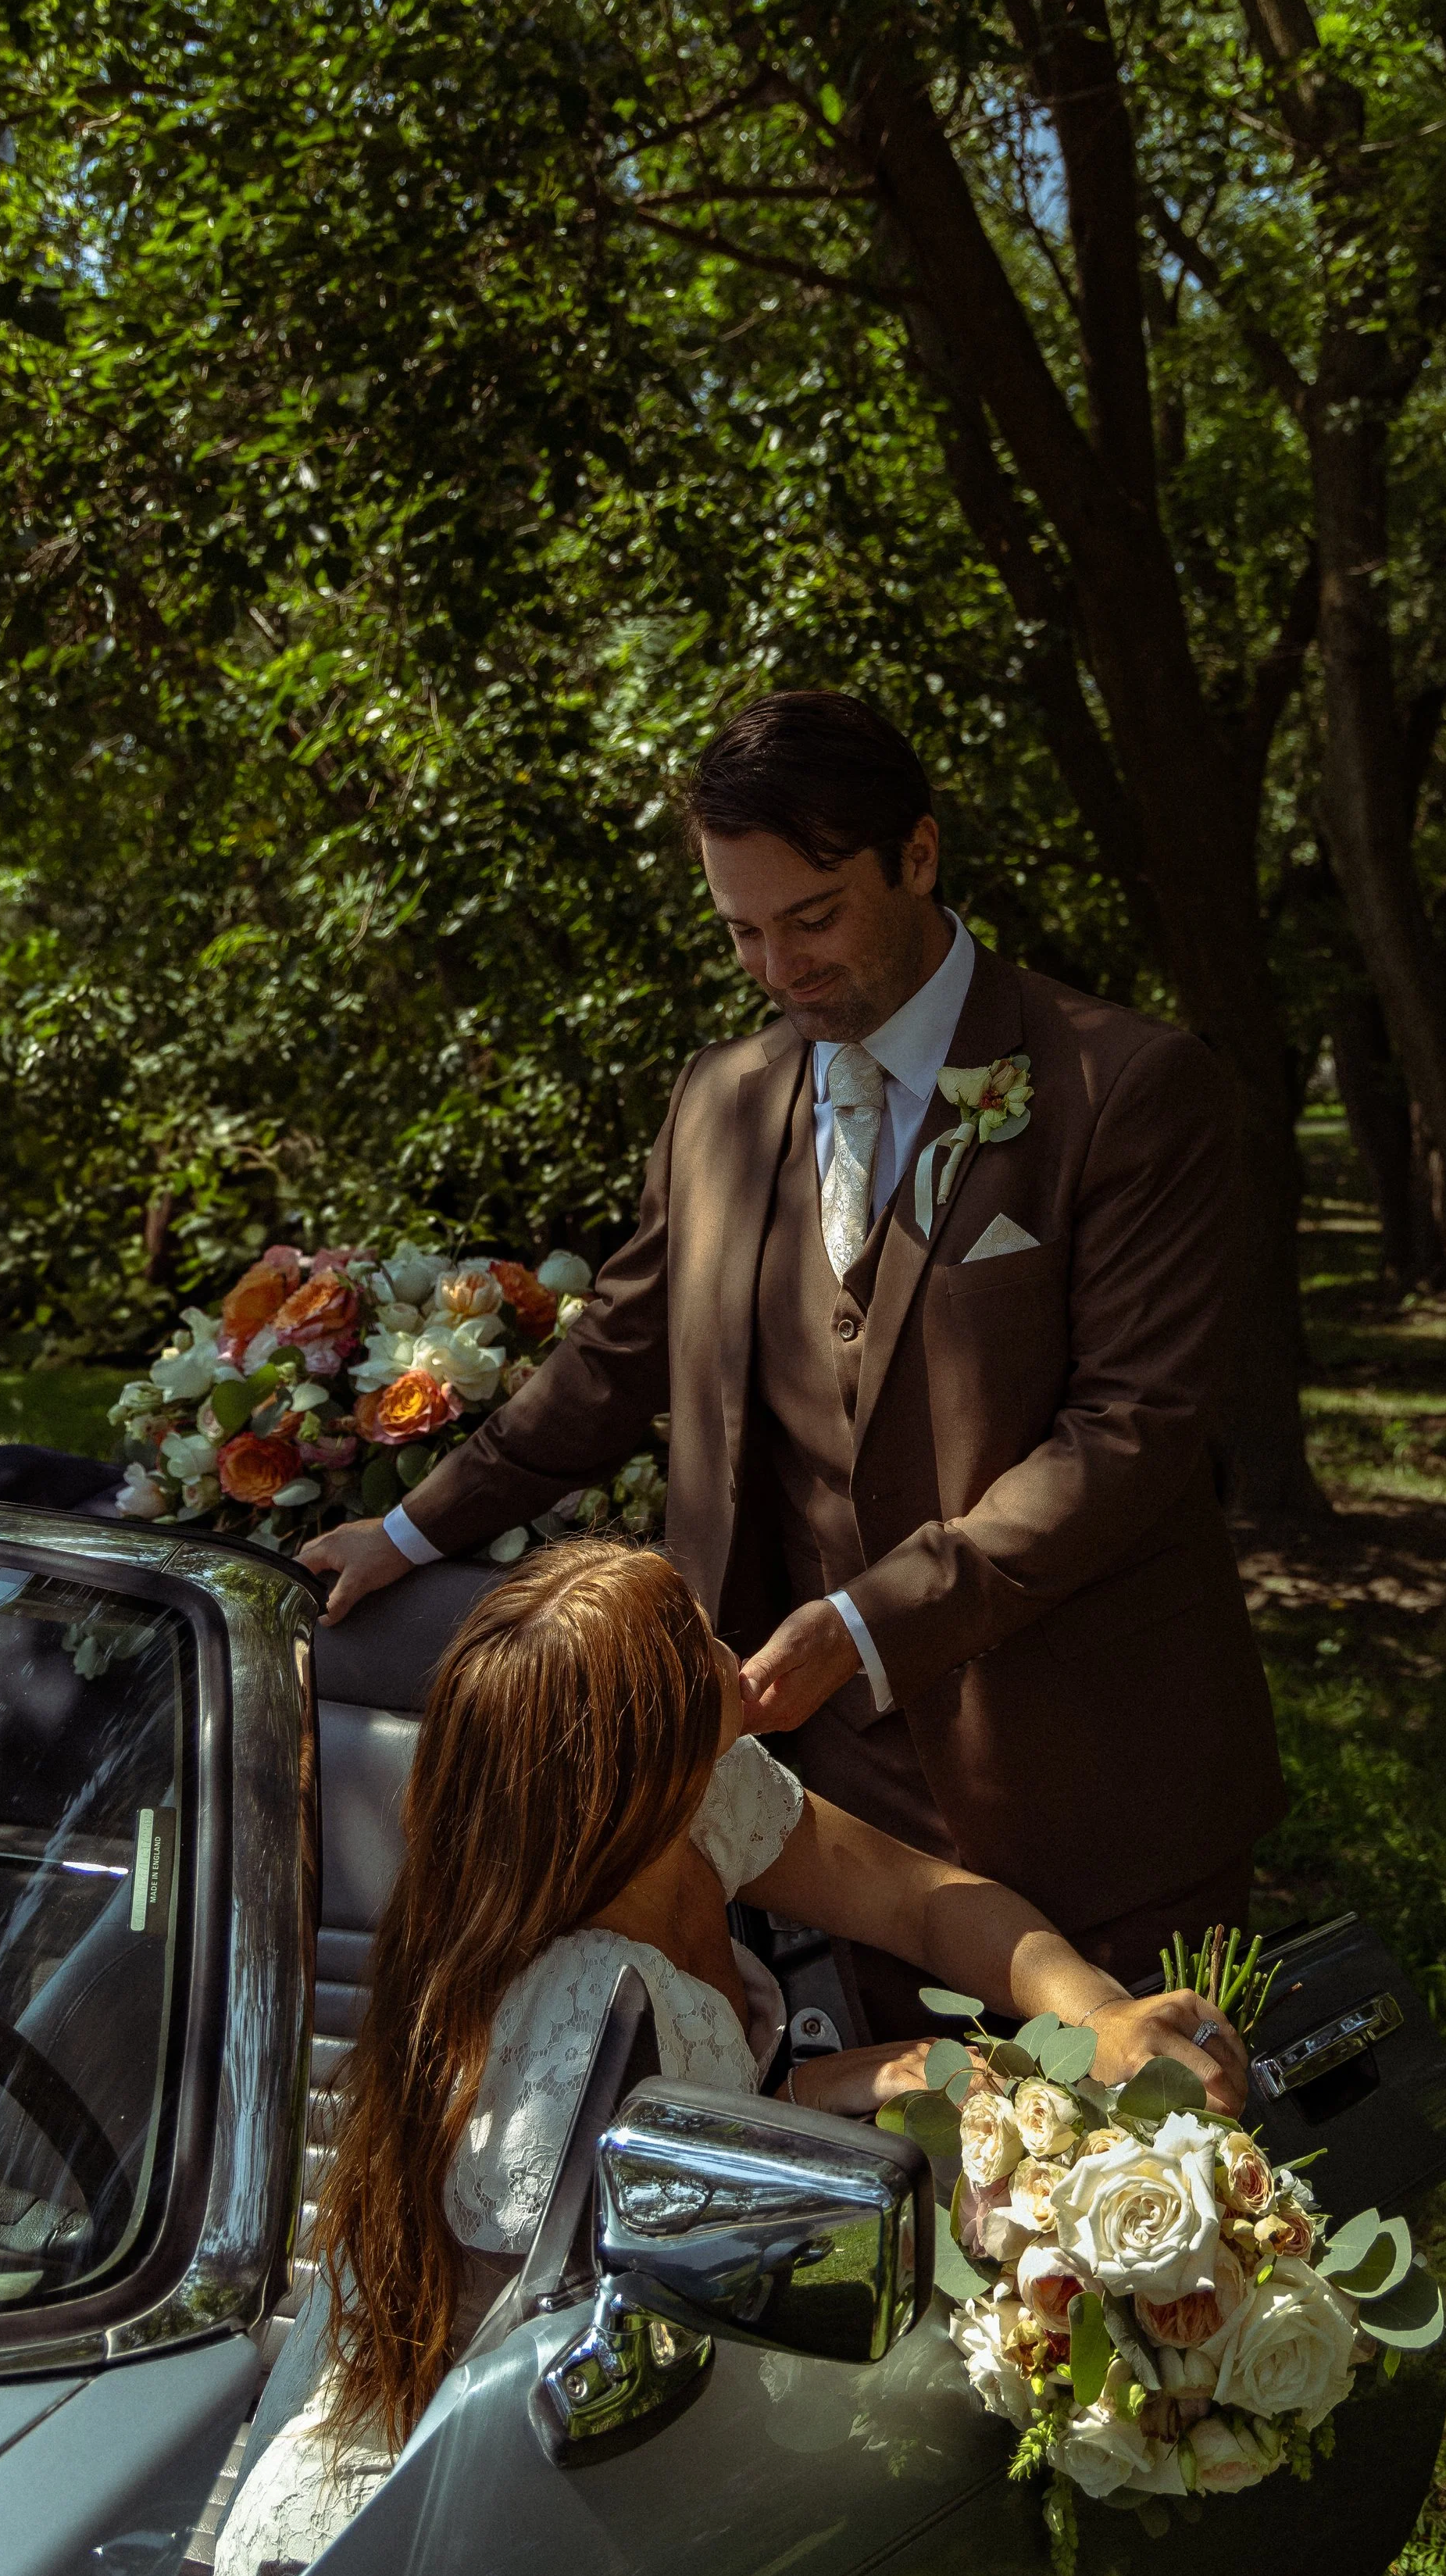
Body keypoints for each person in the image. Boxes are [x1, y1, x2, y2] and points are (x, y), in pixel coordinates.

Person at [301, 688, 1284, 2033]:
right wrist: (410, 1532)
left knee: (1135, 2177)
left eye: (811, 917)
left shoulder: (1126, 1087)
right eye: (742, 932)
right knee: (906, 2170)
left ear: (918, 854)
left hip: (1088, 1765)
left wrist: (870, 1623)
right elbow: (621, 1353)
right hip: (839, 1790)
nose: (778, 968)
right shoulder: (721, 1098)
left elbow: (1129, 1437)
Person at [212, 1539, 1248, 2576]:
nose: (729, 1647)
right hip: (403, 2560)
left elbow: (928, 1902)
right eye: (699, 1643)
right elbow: (585, 2356)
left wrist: (1095, 2015)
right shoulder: (564, 2035)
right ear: (638, 1757)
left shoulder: (693, 1804)